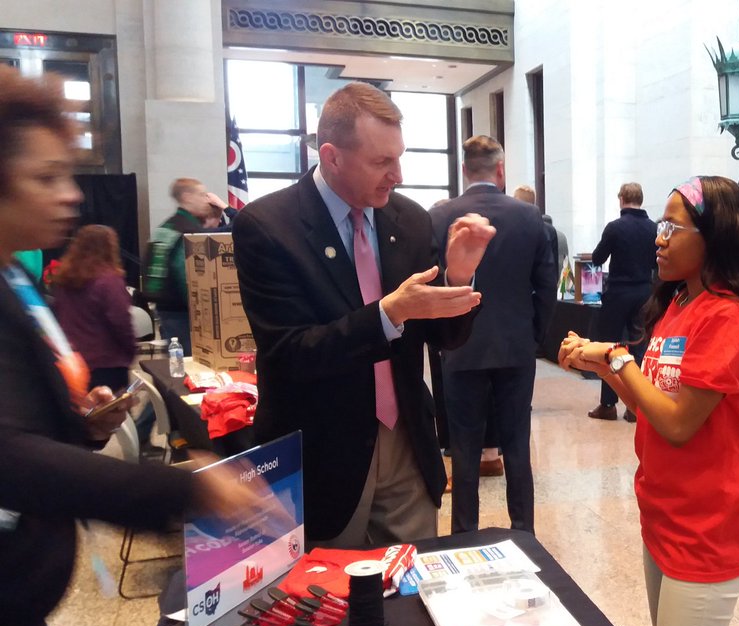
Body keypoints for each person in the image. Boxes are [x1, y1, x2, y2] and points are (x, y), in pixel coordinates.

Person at [0, 64, 268, 626]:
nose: (70, 193)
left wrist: (80, 423)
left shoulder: (14, 275)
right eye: (45, 177)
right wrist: (189, 488)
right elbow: (8, 456)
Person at [233, 82, 495, 546]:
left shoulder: (409, 219)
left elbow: (443, 338)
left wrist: (458, 277)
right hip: (324, 452)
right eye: (381, 162)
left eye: (399, 157)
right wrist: (389, 313)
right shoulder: (268, 227)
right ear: (331, 157)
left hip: (405, 442)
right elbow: (292, 353)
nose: (397, 174)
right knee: (334, 601)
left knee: (412, 591)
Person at [558, 175, 739, 626]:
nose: (659, 238)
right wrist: (596, 364)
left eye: (672, 228)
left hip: (707, 525)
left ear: (713, 237)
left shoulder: (728, 316)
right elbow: (652, 403)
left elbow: (679, 425)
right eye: (661, 224)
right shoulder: (679, 304)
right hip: (665, 513)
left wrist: (616, 357)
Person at [429, 135, 556, 534]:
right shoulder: (530, 216)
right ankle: (524, 533)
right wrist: (532, 336)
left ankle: (464, 536)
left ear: (464, 169)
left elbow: (432, 283)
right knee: (517, 445)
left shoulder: (440, 216)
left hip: (460, 347)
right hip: (516, 346)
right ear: (501, 169)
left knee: (464, 451)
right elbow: (546, 285)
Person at [588, 182, 657, 422]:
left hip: (618, 294)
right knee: (640, 346)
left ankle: (608, 404)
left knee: (611, 347)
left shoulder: (615, 228)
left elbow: (598, 258)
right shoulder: (654, 228)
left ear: (621, 199)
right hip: (645, 293)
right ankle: (634, 405)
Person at [144, 178, 236, 353]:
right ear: (187, 197)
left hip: (167, 311)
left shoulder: (168, 226)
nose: (206, 200)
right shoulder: (189, 232)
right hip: (185, 316)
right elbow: (189, 278)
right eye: (201, 195)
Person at [51, 224, 135, 392]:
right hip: (107, 363)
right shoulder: (109, 280)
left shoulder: (64, 279)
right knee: (112, 414)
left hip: (73, 361)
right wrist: (131, 350)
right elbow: (121, 321)